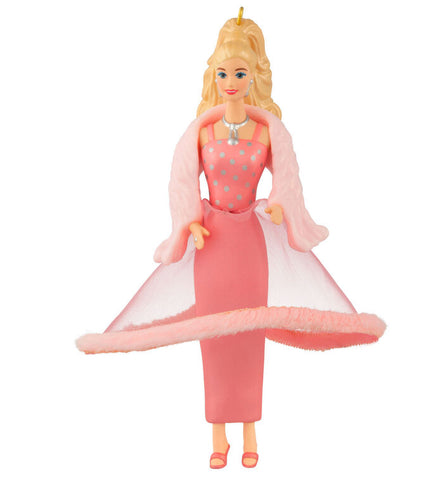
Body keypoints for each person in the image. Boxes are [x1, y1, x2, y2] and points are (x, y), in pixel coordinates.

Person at [76, 12, 386, 470]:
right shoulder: (201, 132)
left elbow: (286, 181)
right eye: (223, 74)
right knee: (214, 339)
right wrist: (190, 222)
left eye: (239, 73)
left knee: (249, 337)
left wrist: (279, 206)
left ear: (254, 76)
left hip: (250, 248)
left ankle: (251, 429)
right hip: (212, 247)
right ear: (213, 77)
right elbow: (183, 183)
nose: (230, 83)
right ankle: (218, 433)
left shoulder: (267, 132)